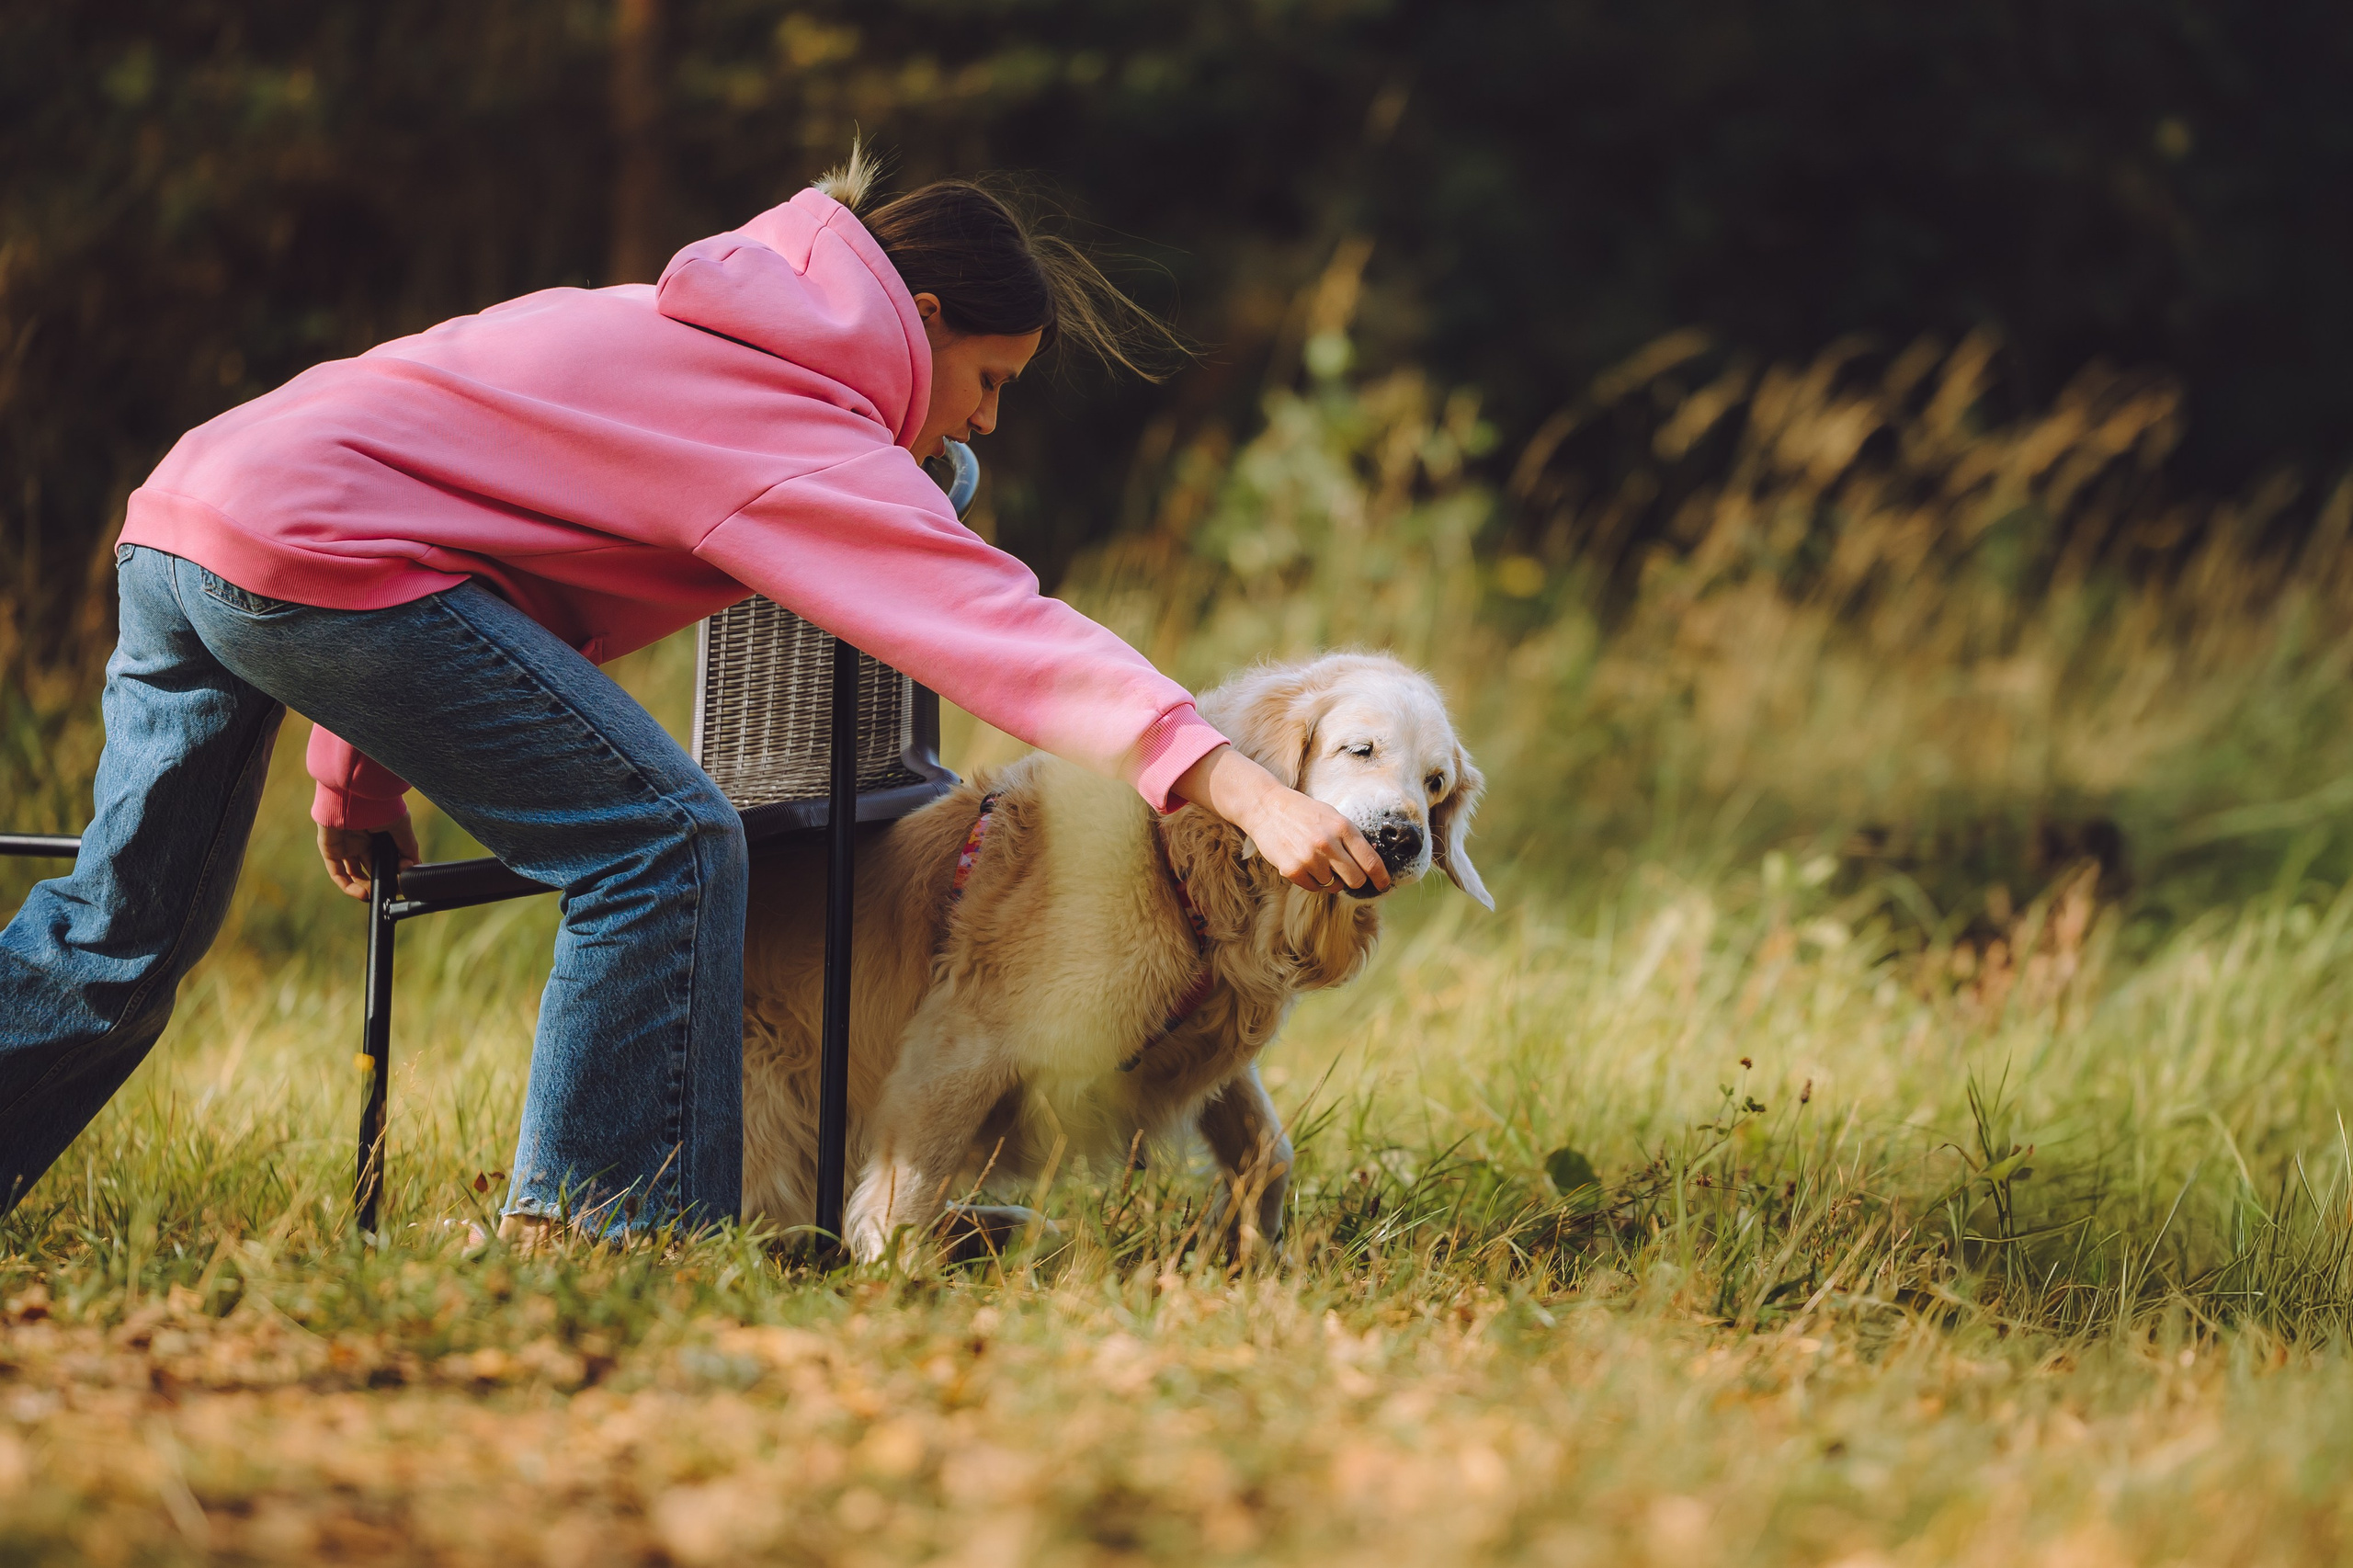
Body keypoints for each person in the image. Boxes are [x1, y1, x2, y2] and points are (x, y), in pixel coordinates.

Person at [0, 149, 1388, 1233]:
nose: (983, 420)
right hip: (322, 561)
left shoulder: (688, 328)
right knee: (662, 837)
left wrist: (354, 772)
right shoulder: (788, 415)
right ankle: (600, 1232)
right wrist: (1235, 779)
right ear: (920, 321)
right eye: (987, 379)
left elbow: (481, 553)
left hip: (189, 516)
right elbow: (995, 625)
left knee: (116, 927)